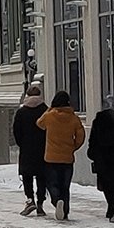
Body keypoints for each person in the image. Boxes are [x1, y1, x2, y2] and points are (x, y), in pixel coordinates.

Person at [35, 91, 86, 221]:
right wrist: (73, 147)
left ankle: (57, 200)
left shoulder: (50, 116)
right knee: (65, 185)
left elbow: (39, 123)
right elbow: (80, 136)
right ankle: (65, 210)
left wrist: (50, 109)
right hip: (67, 158)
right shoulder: (74, 118)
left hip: (51, 157)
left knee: (52, 183)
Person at [88, 94, 114, 222]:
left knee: (105, 182)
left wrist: (92, 152)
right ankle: (112, 207)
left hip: (102, 156)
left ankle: (111, 207)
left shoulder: (98, 121)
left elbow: (93, 139)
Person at [12, 84, 49, 217]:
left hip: (27, 148)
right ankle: (40, 204)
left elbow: (16, 130)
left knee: (27, 176)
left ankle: (30, 200)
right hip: (42, 148)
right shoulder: (45, 110)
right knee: (41, 177)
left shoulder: (22, 112)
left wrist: (22, 143)